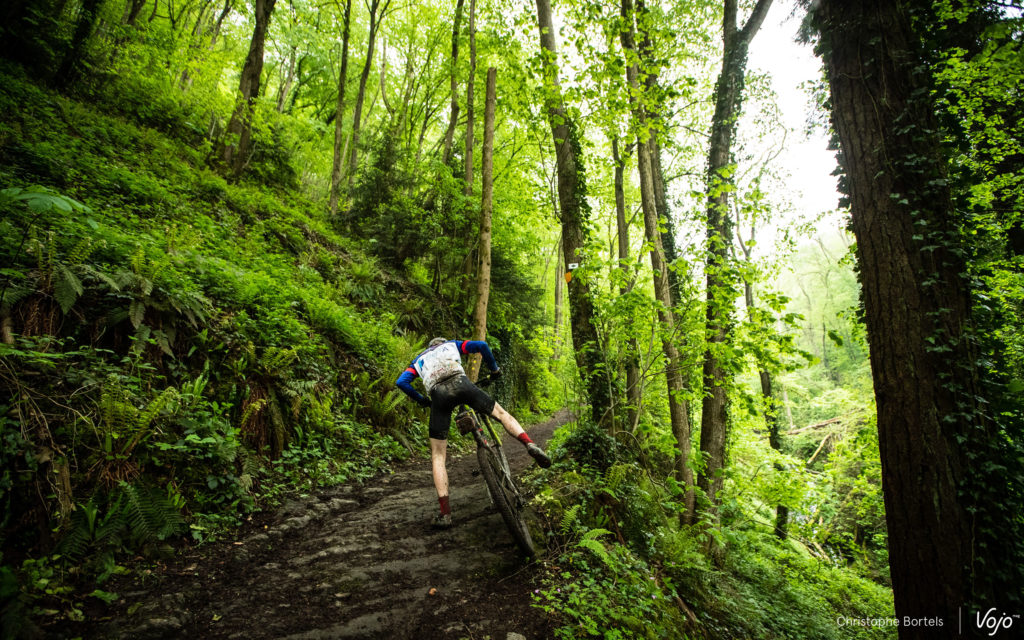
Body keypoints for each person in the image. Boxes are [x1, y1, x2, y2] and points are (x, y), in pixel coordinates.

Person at [395, 337, 551, 528]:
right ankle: (529, 444)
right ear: (442, 343)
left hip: (438, 395)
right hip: (462, 384)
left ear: (429, 348)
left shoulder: (419, 360)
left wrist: (422, 400)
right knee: (501, 414)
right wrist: (494, 370)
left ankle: (445, 514)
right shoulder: (452, 345)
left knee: (438, 455)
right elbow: (482, 346)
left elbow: (401, 382)